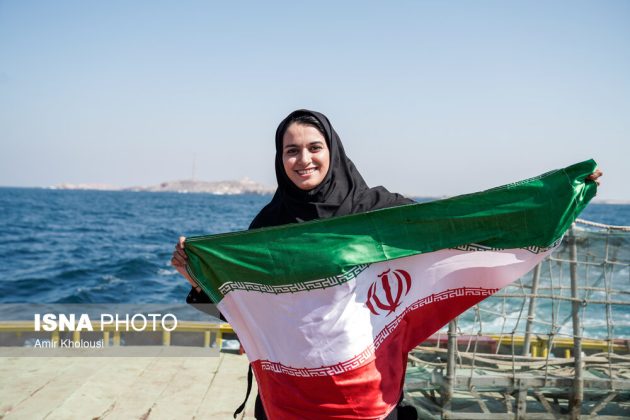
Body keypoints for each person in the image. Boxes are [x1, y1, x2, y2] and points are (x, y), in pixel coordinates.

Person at [172, 109, 603, 419]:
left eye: (313, 148)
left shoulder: (378, 212)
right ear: (280, 160)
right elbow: (248, 313)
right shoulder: (268, 226)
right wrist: (200, 279)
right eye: (291, 151)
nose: (303, 159)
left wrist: (553, 200)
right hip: (289, 397)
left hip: (369, 388)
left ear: (333, 150)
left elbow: (450, 232)